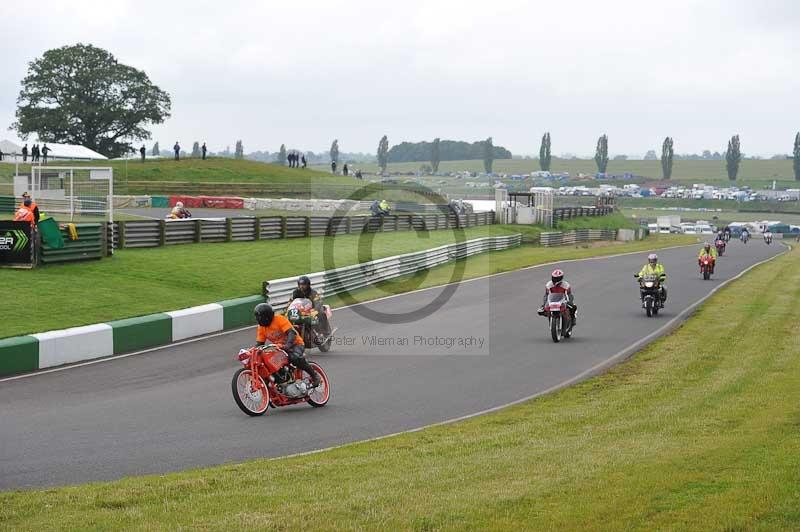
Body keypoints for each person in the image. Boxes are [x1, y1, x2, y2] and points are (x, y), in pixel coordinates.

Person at [254, 303, 320, 387]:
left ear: (266, 317)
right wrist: (254, 352)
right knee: (269, 364)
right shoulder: (261, 328)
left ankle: (315, 376)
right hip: (280, 348)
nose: (257, 319)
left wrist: (288, 345)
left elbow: (291, 333)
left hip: (296, 344)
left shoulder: (279, 319)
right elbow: (260, 344)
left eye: (258, 317)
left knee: (294, 358)